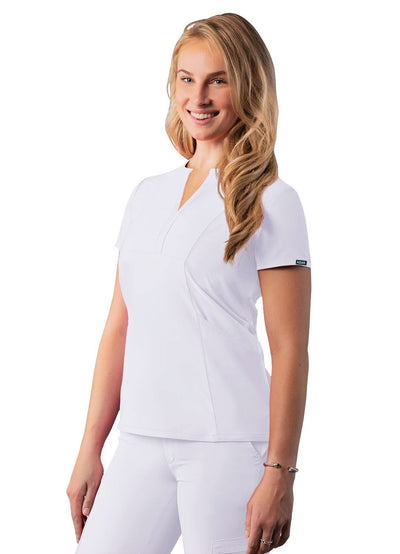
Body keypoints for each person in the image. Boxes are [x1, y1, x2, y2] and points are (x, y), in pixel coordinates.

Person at [66, 12, 312, 554]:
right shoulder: (146, 194)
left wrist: (281, 473)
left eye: (217, 80)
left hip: (226, 445)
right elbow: (119, 328)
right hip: (141, 438)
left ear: (247, 85)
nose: (198, 97)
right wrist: (90, 448)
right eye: (186, 78)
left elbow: (290, 349)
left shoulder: (273, 201)